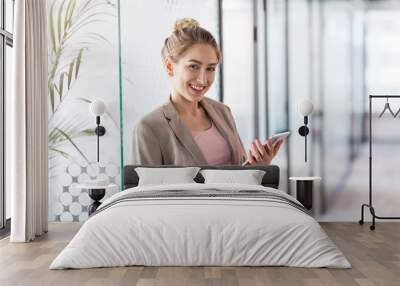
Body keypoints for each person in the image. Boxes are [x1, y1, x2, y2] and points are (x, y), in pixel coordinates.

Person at [132, 18, 283, 166]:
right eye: (193, 66)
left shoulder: (223, 112)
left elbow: (239, 172)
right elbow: (145, 191)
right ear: (170, 67)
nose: (203, 80)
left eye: (210, 68)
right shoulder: (149, 128)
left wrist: (257, 167)